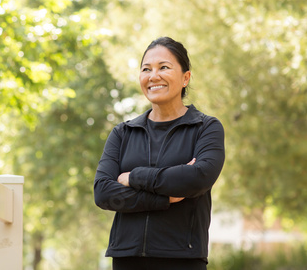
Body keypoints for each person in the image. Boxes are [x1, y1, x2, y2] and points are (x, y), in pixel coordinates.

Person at [94, 37, 225, 270]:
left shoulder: (205, 128)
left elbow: (197, 178)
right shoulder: (123, 133)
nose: (153, 76)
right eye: (146, 69)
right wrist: (164, 198)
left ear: (186, 78)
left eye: (164, 67)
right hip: (127, 259)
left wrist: (134, 177)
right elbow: (103, 192)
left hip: (182, 260)